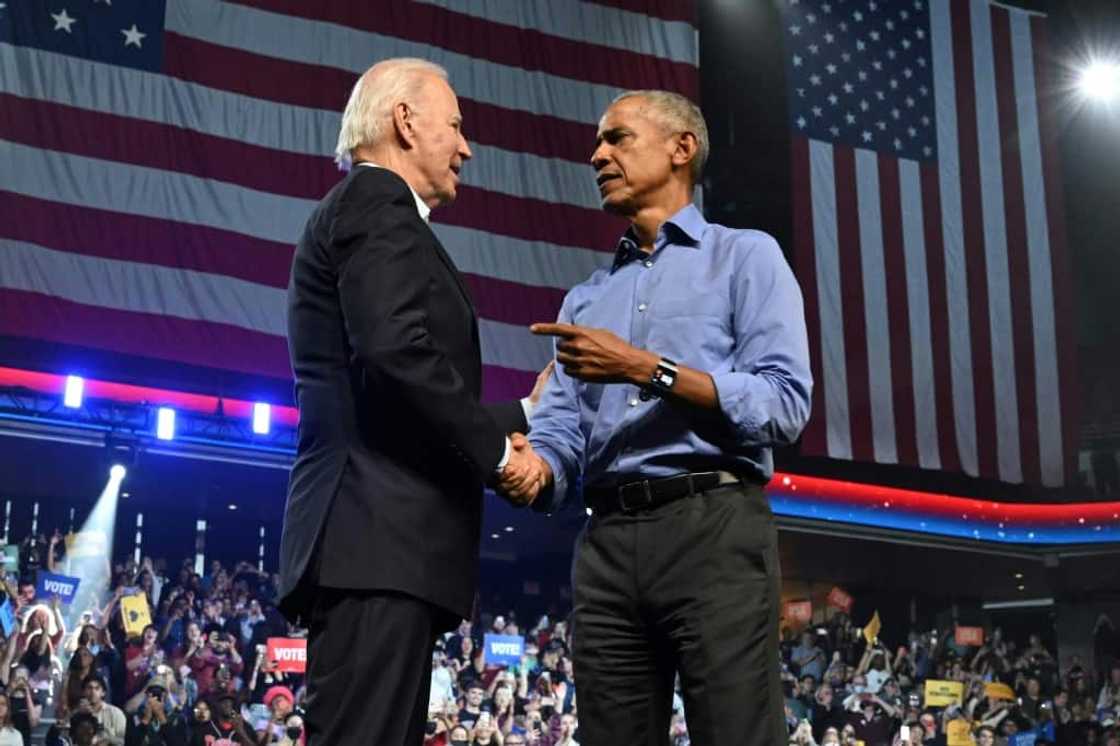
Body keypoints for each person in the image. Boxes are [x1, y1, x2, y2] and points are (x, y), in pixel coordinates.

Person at [518, 89, 812, 745]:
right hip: (607, 544)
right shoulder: (586, 298)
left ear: (682, 148)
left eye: (616, 138)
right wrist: (530, 468)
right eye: (597, 143)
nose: (597, 155)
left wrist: (647, 368)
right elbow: (561, 435)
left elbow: (784, 402)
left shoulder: (745, 257)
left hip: (714, 527)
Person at [278, 56, 547, 746]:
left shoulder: (373, 213)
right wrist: (498, 456)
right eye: (454, 125)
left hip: (382, 546)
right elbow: (396, 354)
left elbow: (392, 401)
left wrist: (524, 417)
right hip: (375, 543)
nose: (467, 146)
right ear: (404, 121)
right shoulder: (377, 202)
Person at [85, 675, 127, 746]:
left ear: (103, 693)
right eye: (89, 688)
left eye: (97, 688)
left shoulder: (116, 713)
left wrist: (107, 738)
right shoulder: (78, 714)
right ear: (84, 691)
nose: (93, 692)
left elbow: (123, 741)